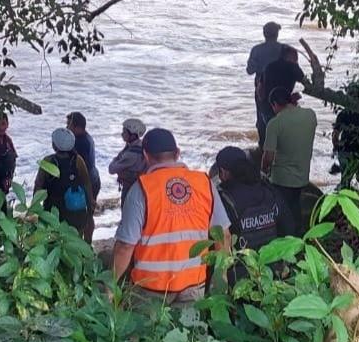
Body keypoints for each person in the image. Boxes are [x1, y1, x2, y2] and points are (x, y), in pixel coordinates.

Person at [111, 128, 232, 306]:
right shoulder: (204, 183)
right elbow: (223, 234)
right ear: (177, 153)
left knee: (147, 334)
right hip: (193, 283)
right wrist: (221, 278)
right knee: (189, 333)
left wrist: (110, 287)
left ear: (146, 155)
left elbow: (125, 246)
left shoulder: (142, 189)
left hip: (150, 287)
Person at [215, 146, 297, 285]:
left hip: (239, 278)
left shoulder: (223, 198)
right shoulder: (269, 190)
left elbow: (220, 240)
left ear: (223, 172)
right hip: (271, 272)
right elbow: (289, 228)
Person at [262, 88, 317, 234]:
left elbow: (268, 157)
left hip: (282, 179)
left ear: (274, 104)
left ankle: (288, 239)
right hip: (302, 176)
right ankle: (299, 234)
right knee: (294, 206)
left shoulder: (275, 123)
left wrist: (263, 171)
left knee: (284, 211)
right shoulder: (310, 115)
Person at [34, 128, 95, 242]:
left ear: (54, 145)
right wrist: (90, 201)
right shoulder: (78, 160)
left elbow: (38, 185)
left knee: (53, 241)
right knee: (75, 240)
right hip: (75, 209)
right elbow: (86, 182)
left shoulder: (48, 161)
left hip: (53, 208)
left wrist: (35, 207)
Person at [257, 45, 307, 145]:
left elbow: (260, 88)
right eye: (295, 56)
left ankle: (266, 155)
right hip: (282, 107)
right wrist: (296, 96)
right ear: (288, 56)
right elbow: (308, 85)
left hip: (267, 107)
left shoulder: (269, 66)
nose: (297, 59)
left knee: (271, 137)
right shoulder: (293, 67)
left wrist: (262, 102)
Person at [246, 22, 284, 147]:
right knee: (280, 119)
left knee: (262, 119)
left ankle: (263, 148)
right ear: (277, 34)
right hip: (281, 89)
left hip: (261, 89)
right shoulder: (284, 50)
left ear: (264, 34)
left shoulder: (256, 50)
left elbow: (250, 70)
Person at [330, 84, 359, 187]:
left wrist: (336, 147)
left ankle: (343, 199)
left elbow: (335, 135)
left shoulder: (342, 114)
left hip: (345, 150)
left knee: (345, 180)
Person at [108, 117, 147, 204]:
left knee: (126, 211)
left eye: (124, 132)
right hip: (138, 187)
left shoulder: (131, 154)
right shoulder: (140, 146)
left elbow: (111, 169)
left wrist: (116, 159)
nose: (122, 134)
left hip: (130, 188)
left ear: (133, 135)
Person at [66, 111, 100, 201]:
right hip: (94, 179)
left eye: (69, 124)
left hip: (89, 183)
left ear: (78, 128)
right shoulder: (85, 137)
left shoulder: (80, 143)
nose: (66, 127)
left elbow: (81, 168)